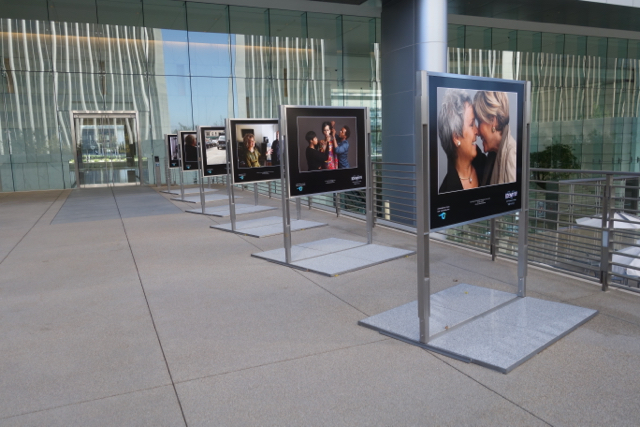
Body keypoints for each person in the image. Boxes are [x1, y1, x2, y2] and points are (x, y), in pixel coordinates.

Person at [437, 89, 485, 193]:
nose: (477, 131)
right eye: (471, 124)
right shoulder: (446, 192)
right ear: (456, 137)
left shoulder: (487, 166)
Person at [473, 91, 516, 185]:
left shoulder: (512, 155)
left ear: (493, 120)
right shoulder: (493, 156)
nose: (477, 131)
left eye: (480, 122)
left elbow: (512, 199)